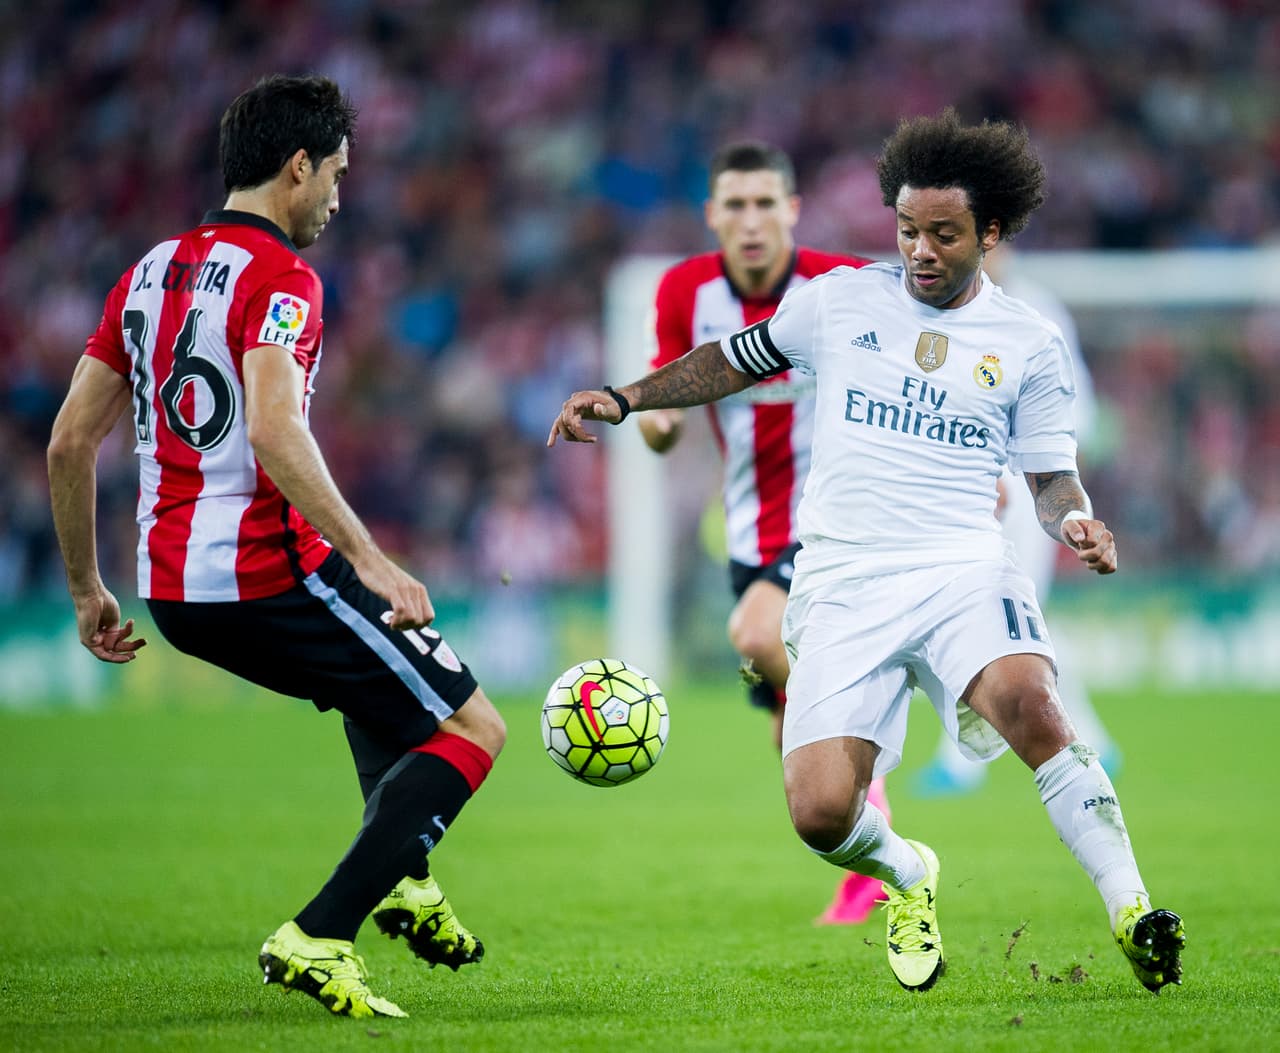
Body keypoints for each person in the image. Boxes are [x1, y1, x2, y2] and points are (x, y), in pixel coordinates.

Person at [550, 109, 1183, 995]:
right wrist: (624, 398)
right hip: (843, 580)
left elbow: (1051, 479)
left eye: (945, 233)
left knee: (1034, 707)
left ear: (990, 233)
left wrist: (1076, 520)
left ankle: (1133, 909)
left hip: (964, 566)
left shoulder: (1029, 343)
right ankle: (910, 872)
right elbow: (732, 360)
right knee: (817, 813)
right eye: (908, 229)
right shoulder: (841, 302)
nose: (921, 250)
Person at [46, 74, 505, 1020]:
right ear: (298, 167)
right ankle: (320, 933)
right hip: (264, 568)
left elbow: (66, 441)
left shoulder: (146, 270)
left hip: (171, 588)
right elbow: (272, 428)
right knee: (472, 729)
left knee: (370, 680)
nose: (338, 196)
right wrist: (375, 559)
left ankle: (405, 879)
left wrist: (88, 585)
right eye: (335, 174)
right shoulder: (283, 278)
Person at [637, 141, 890, 925]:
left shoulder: (840, 284)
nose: (751, 221)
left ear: (792, 210)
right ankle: (862, 858)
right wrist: (657, 420)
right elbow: (666, 391)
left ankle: (873, 804)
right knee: (792, 716)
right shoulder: (685, 289)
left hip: (843, 514)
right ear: (713, 215)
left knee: (753, 634)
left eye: (764, 203)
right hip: (751, 525)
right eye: (734, 206)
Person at [912, 243, 1122, 796]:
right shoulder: (938, 312)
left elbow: (1079, 414)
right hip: (959, 493)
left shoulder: (1039, 312)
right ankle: (1096, 738)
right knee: (1019, 616)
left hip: (1026, 495)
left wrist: (1052, 486)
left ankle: (961, 760)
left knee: (1000, 613)